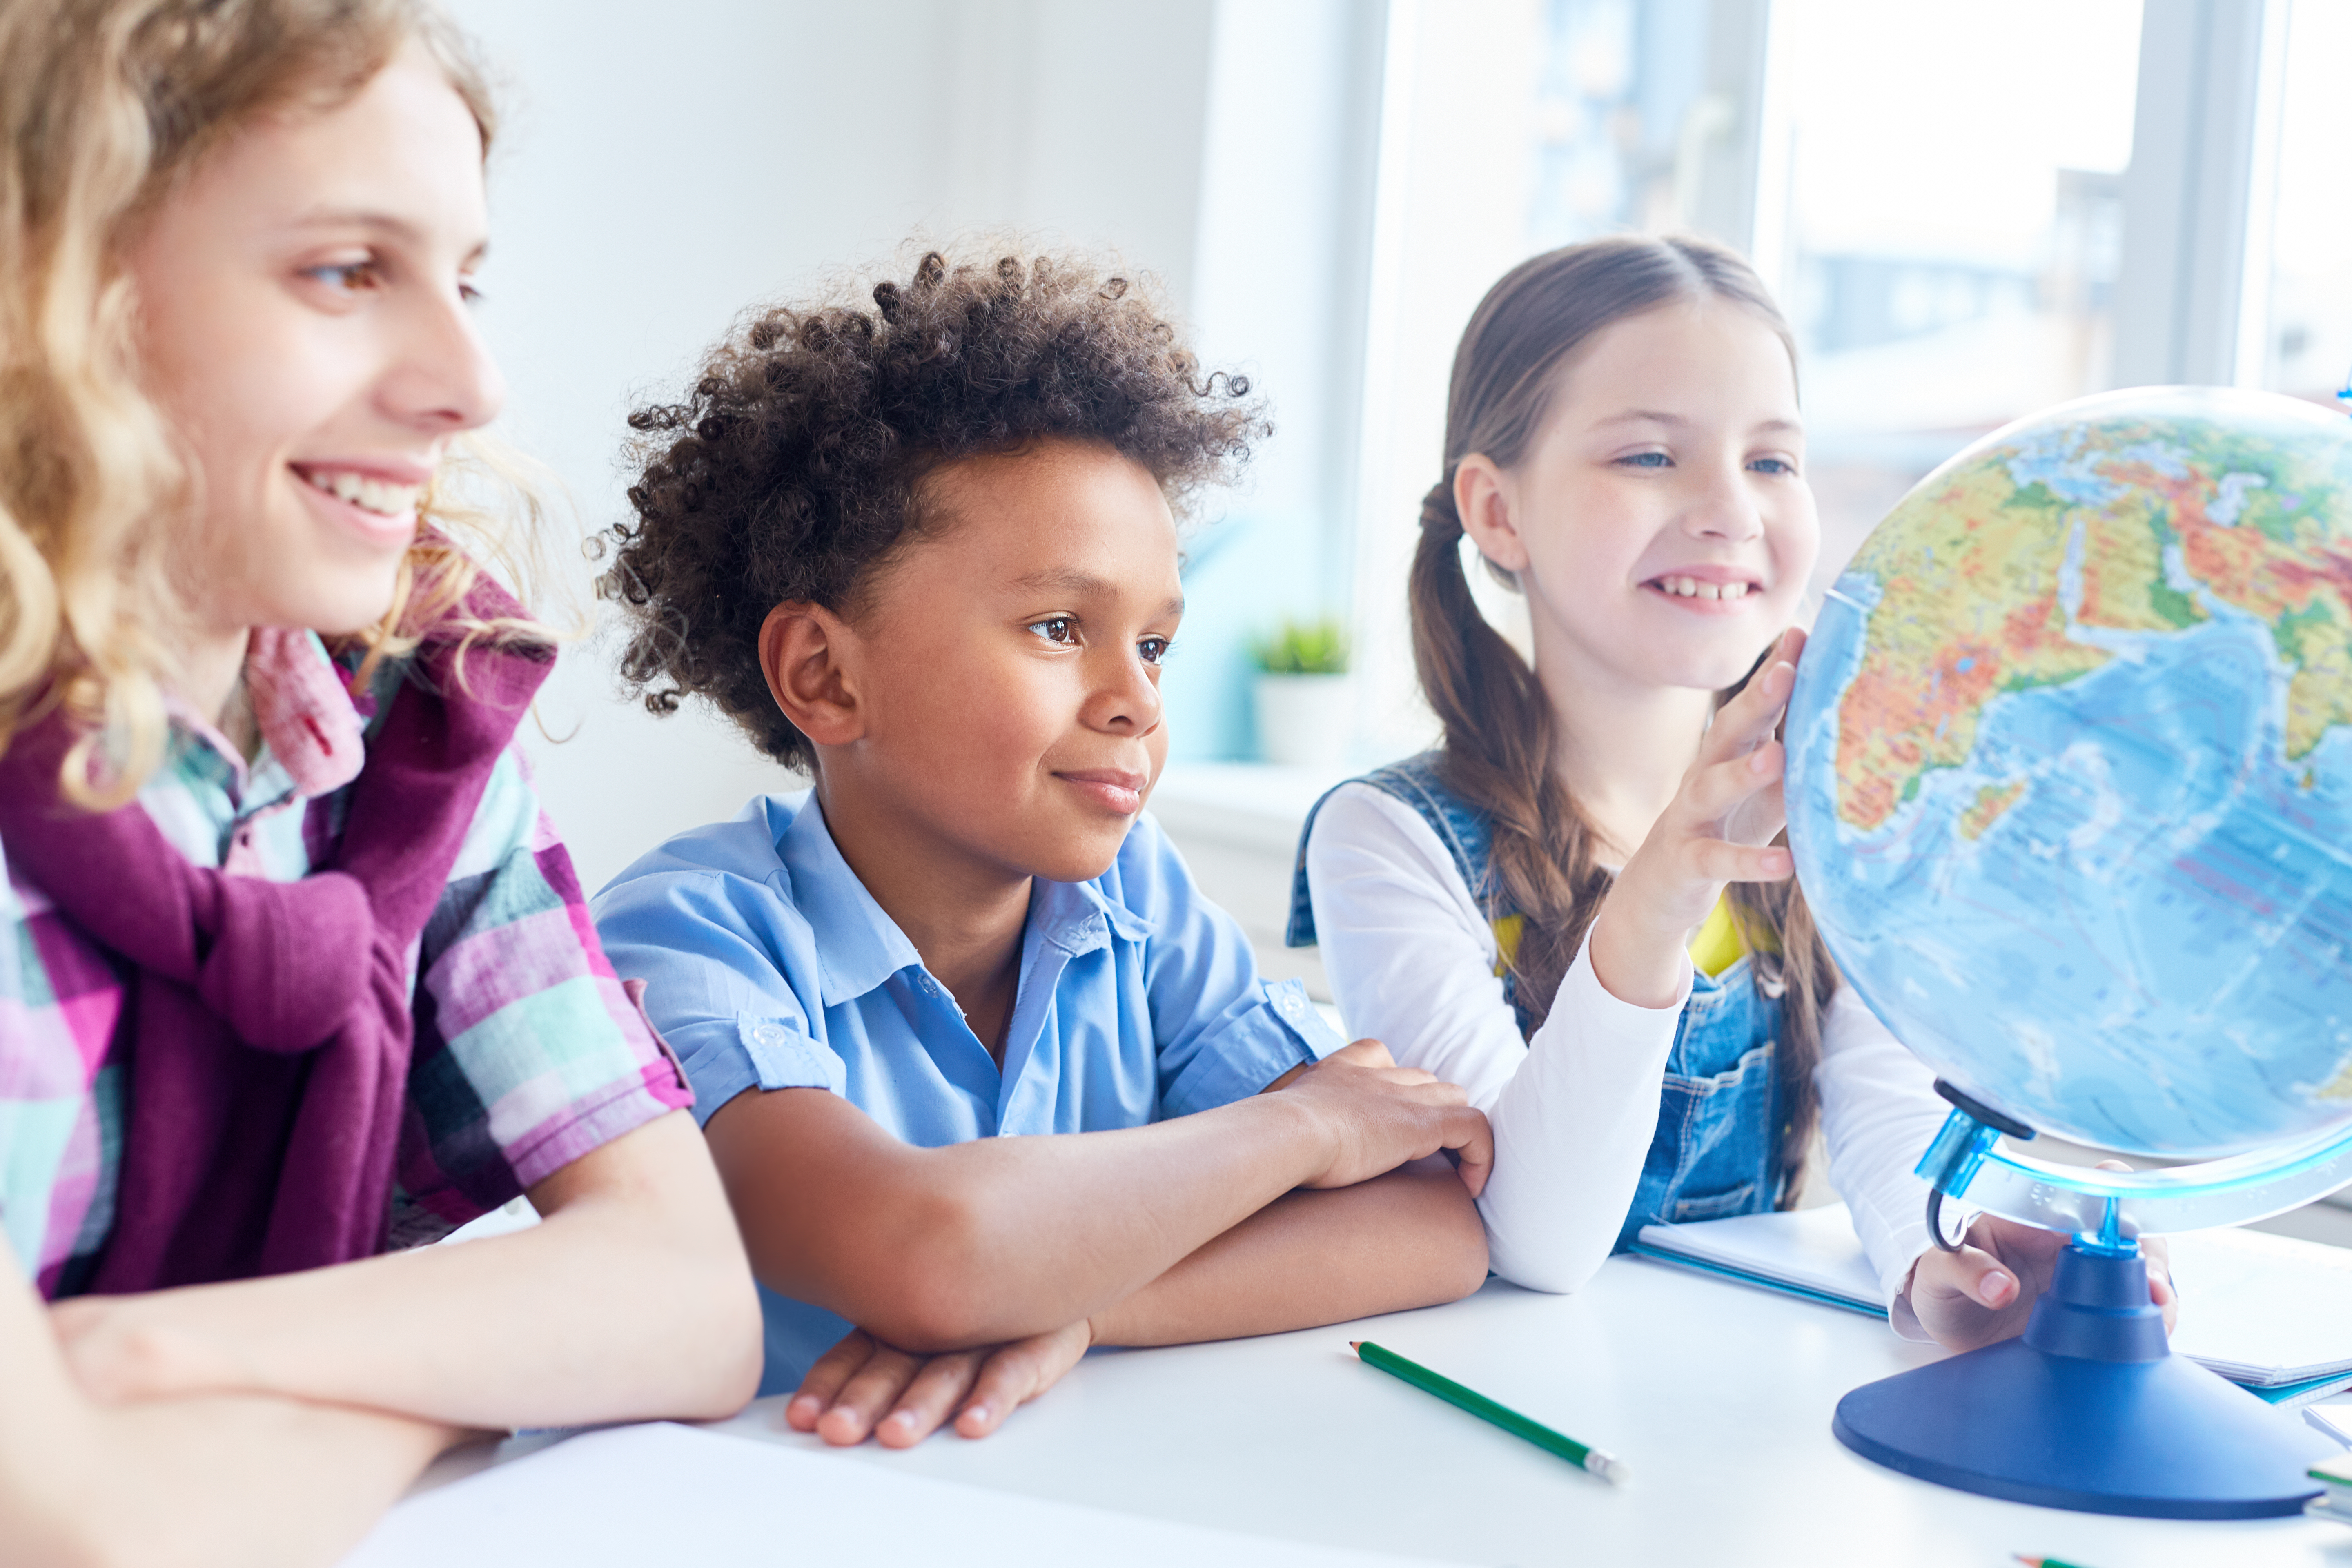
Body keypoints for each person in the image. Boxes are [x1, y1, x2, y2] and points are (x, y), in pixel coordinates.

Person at [0, 4, 761, 1561]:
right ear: (47, 293)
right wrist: (446, 1387)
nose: (471, 382)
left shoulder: (410, 726)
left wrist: (147, 1356)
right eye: (346, 271)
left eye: (463, 279)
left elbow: (688, 1302)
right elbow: (89, 1531)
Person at [592, 247, 1495, 1451]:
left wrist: (1082, 1312)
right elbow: (930, 1255)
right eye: (1061, 627)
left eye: (1156, 645)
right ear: (826, 675)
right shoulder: (685, 937)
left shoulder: (1134, 895)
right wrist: (1307, 1126)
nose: (1139, 701)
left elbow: (1429, 1224)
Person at [1288, 234, 2175, 1351]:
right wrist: (1660, 895)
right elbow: (1532, 1238)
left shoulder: (1831, 810)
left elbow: (1884, 1094)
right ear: (1498, 512)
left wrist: (1945, 1249)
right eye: (1650, 456)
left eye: (1771, 461)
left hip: (1736, 1400)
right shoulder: (1389, 839)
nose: (1731, 511)